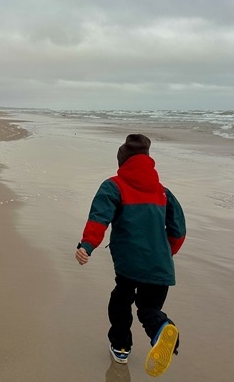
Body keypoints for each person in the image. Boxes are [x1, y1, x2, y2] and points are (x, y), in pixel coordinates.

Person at [75, 134, 186, 377]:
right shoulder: (164, 192)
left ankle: (121, 347)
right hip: (161, 265)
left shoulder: (114, 186)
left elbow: (99, 217)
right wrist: (167, 252)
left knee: (121, 301)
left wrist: (87, 245)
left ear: (122, 162)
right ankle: (162, 327)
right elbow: (178, 230)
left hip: (129, 265)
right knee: (149, 308)